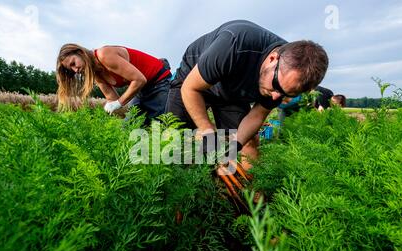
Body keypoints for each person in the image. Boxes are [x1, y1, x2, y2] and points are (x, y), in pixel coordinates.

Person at [165, 20, 329, 171]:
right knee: (174, 139)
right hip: (192, 81)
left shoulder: (284, 79)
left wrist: (236, 145)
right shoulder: (234, 44)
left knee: (248, 142)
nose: (274, 98)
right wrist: (208, 130)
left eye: (285, 94)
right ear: (273, 59)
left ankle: (251, 196)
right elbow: (190, 89)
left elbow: (258, 114)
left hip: (232, 94)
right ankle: (179, 185)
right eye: (276, 87)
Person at [56, 43, 171, 121]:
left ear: (80, 53)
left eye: (73, 63)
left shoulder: (104, 55)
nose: (76, 70)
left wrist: (118, 103)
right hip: (143, 89)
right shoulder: (96, 74)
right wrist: (102, 115)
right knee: (130, 125)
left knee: (157, 124)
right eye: (71, 70)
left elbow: (139, 80)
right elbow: (113, 99)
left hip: (159, 80)